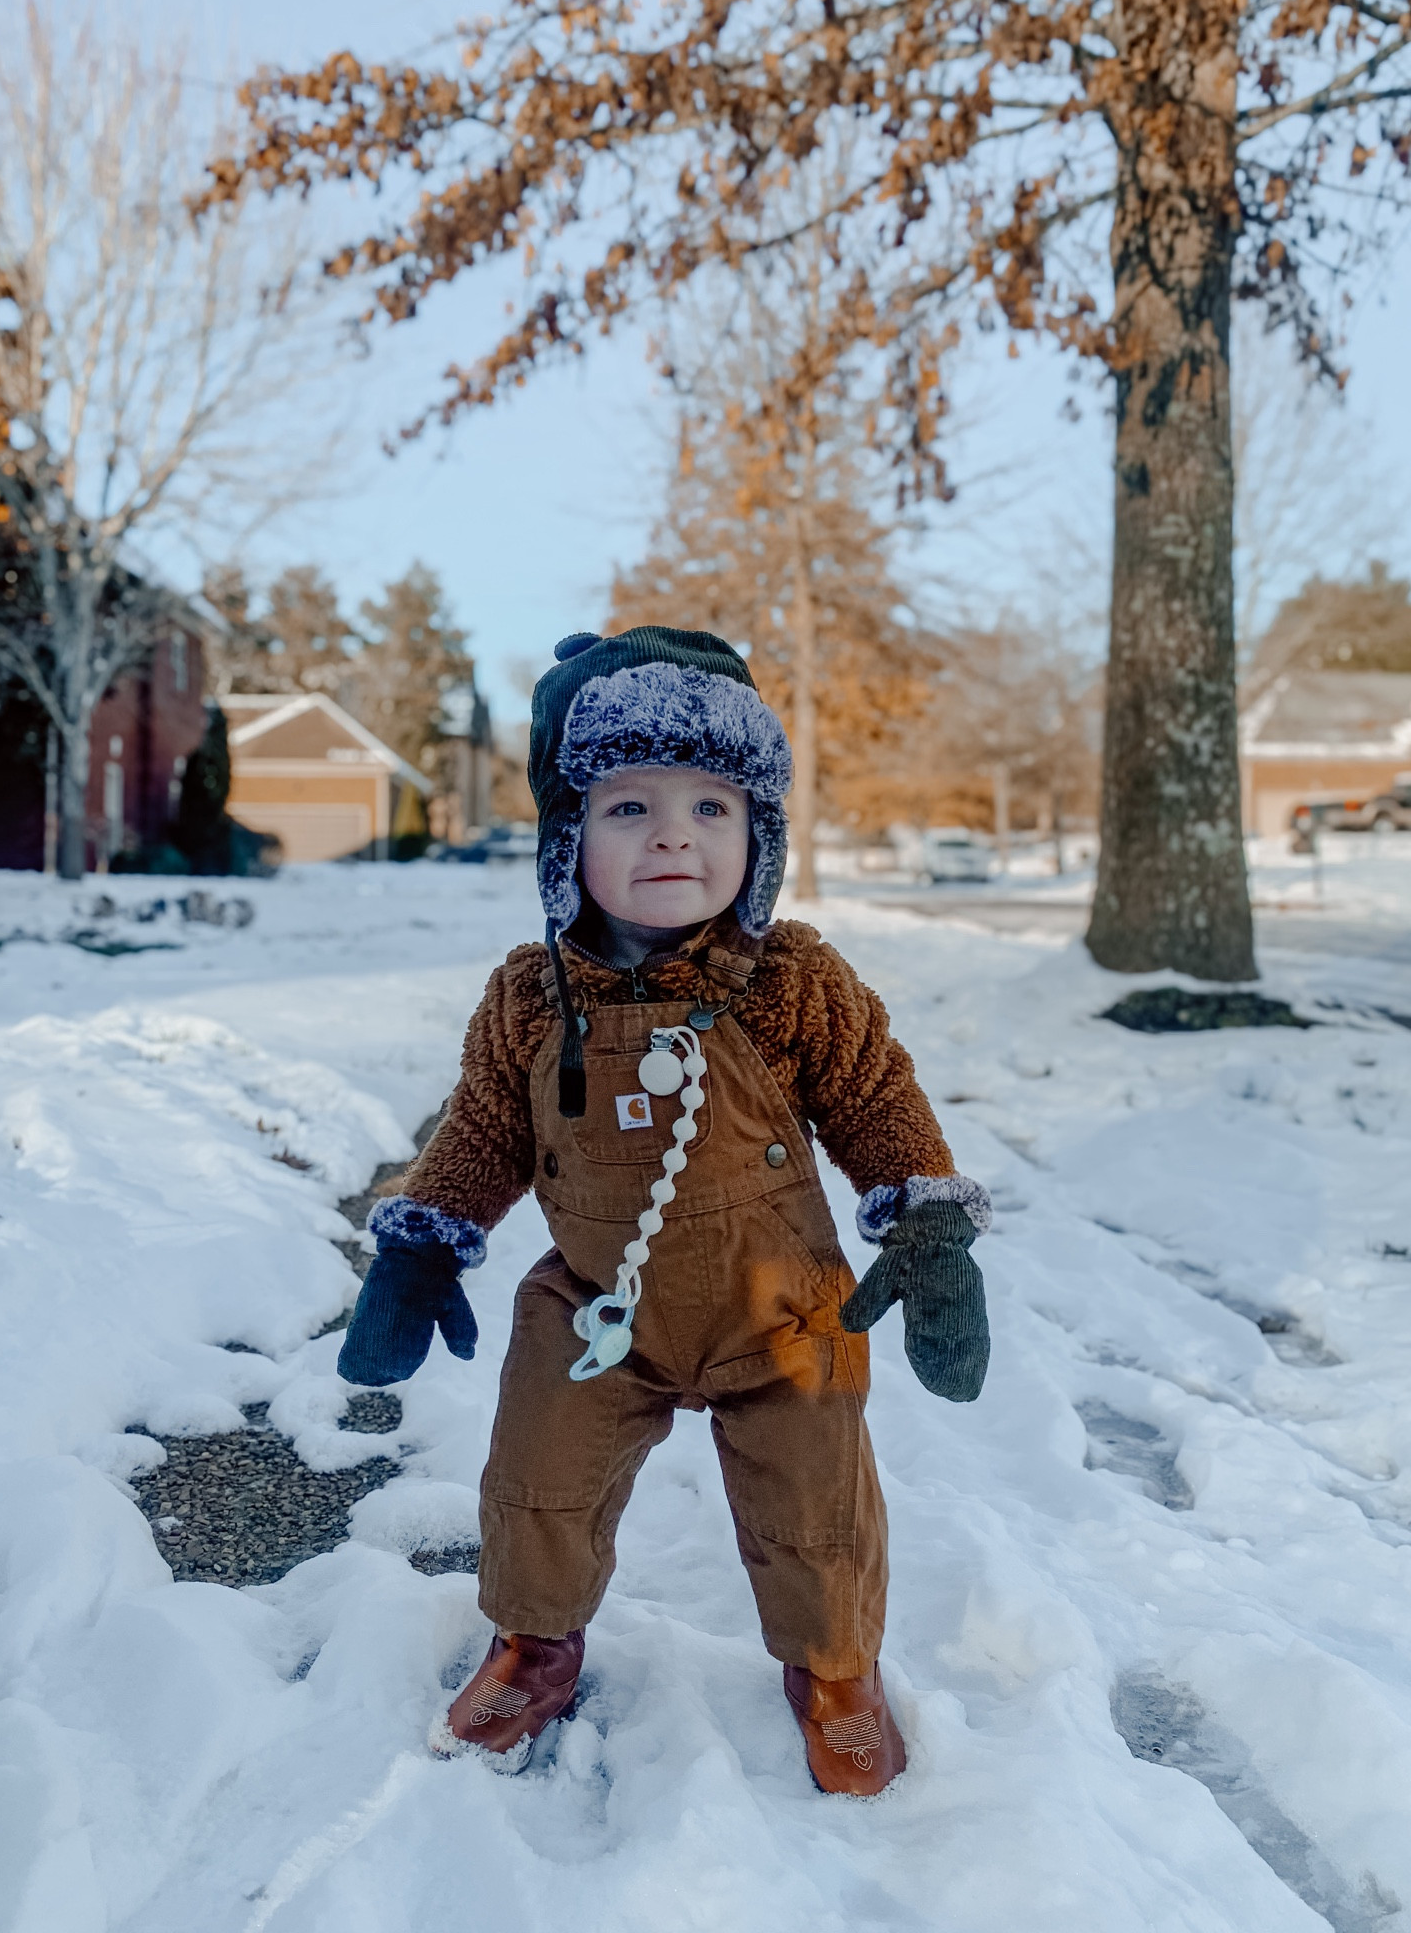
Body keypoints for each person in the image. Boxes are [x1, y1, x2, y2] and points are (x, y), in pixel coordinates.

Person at [338, 626, 991, 1795]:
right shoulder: (530, 998)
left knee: (817, 1495)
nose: (674, 833)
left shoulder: (789, 978)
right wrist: (424, 1246)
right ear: (566, 838)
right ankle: (536, 1643)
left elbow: (877, 1095)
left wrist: (927, 1225)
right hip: (599, 1308)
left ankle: (835, 1667)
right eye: (629, 807)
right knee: (537, 1473)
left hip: (780, 1309)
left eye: (711, 806)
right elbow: (484, 1127)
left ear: (760, 835)